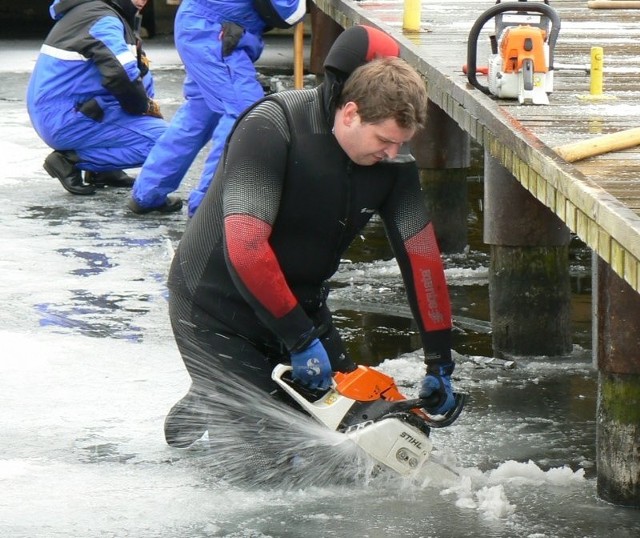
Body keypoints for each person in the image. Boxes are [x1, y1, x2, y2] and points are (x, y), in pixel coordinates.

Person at [163, 25, 457, 449]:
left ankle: (228, 389)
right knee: (272, 460)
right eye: (384, 140)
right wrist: (299, 339)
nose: (392, 154)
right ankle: (216, 391)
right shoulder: (272, 126)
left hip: (300, 309)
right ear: (351, 112)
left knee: (371, 437)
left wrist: (440, 361)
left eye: (402, 143)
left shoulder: (394, 167)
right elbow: (245, 248)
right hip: (214, 310)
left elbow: (423, 262)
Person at [127, 0, 307, 216]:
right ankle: (208, 207)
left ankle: (147, 193)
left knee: (199, 115)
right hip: (215, 34)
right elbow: (289, 12)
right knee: (244, 114)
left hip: (202, 28)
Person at [27, 0, 167, 196]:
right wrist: (144, 109)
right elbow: (121, 75)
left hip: (70, 111)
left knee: (143, 106)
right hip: (67, 118)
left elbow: (133, 71)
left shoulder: (99, 12)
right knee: (167, 141)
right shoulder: (103, 19)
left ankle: (102, 170)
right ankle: (71, 160)